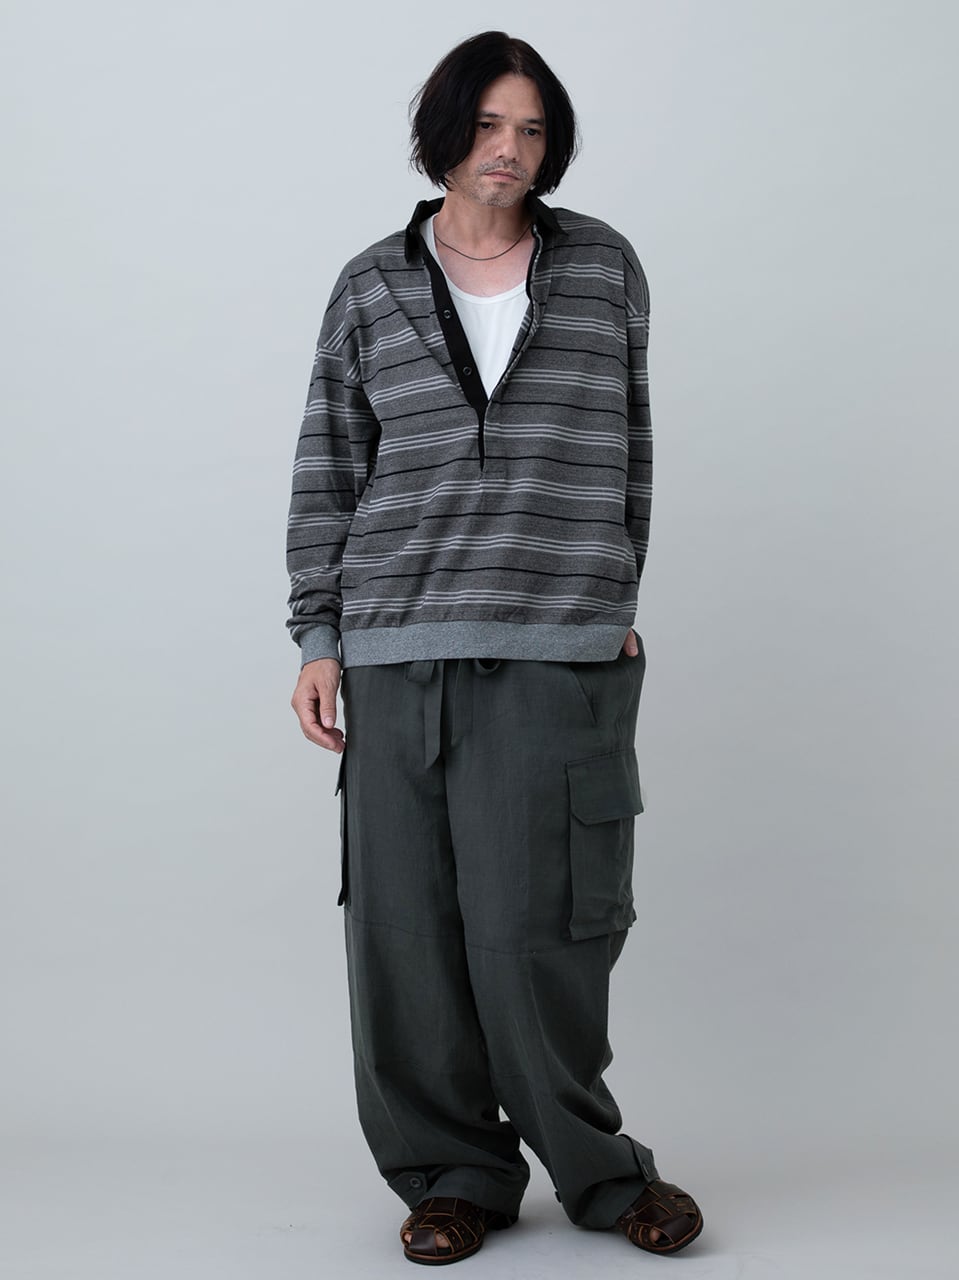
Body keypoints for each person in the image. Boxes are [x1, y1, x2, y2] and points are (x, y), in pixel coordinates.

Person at [286, 31, 703, 1265]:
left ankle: (602, 1174)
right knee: (404, 935)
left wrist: (612, 592)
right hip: (395, 644)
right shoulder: (370, 285)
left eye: (531, 130)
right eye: (486, 126)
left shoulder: (603, 267)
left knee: (545, 930)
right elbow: (328, 465)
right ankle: (451, 1175)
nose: (508, 150)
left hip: (556, 644)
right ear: (444, 133)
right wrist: (319, 633)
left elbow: (628, 446)